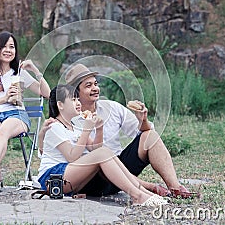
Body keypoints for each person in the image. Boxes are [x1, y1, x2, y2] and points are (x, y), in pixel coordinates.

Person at [64, 63, 199, 199]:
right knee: (103, 159)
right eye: (88, 86)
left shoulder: (112, 107)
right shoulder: (69, 118)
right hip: (92, 179)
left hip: (120, 170)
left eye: (96, 84)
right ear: (76, 92)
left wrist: (143, 120)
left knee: (150, 136)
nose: (95, 89)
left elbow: (144, 133)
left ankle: (176, 188)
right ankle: (150, 188)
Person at [37, 84, 168, 206]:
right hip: (53, 180)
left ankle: (143, 193)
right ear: (60, 105)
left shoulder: (75, 126)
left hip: (71, 178)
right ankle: (137, 196)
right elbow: (72, 156)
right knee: (103, 153)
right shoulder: (54, 127)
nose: (78, 103)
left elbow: (96, 150)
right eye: (73, 100)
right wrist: (87, 130)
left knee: (106, 152)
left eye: (78, 99)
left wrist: (99, 129)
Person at [0, 31, 50, 189]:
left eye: (12, 47)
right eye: (4, 46)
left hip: (17, 116)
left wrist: (35, 70)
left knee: (2, 131)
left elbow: (47, 93)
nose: (8, 50)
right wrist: (3, 99)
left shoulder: (19, 73)